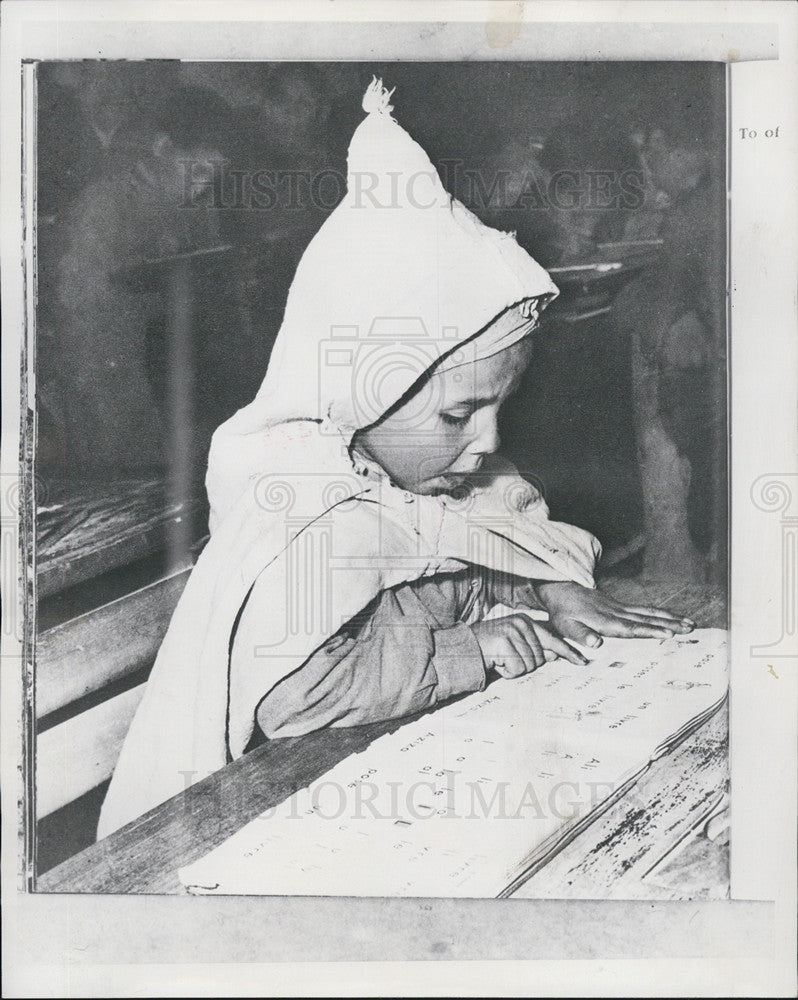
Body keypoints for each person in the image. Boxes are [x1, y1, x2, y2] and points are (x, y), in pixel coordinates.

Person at [97, 79, 693, 839]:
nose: (490, 443)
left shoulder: (425, 472)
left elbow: (479, 550)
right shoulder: (311, 509)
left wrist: (550, 587)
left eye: (499, 408)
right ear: (361, 391)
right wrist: (467, 652)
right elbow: (297, 697)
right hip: (260, 810)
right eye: (459, 413)